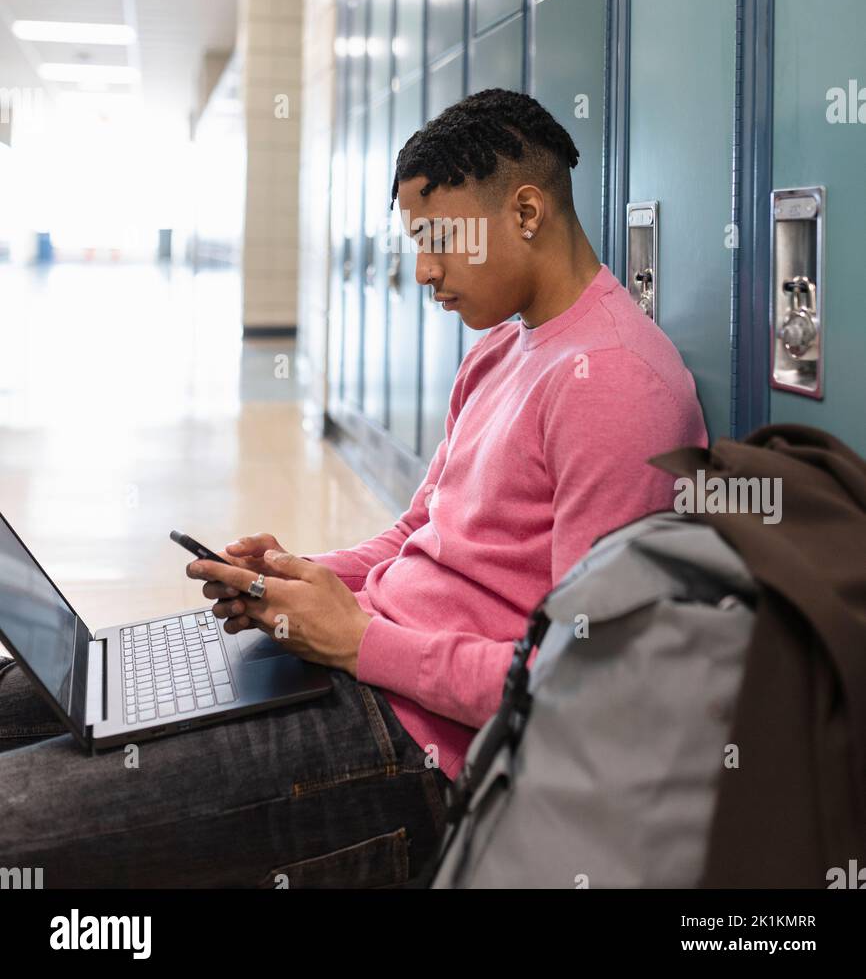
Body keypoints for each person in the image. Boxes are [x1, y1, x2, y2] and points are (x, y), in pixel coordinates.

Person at [0, 89, 707, 888]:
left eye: (439, 239)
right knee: (23, 697)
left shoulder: (617, 386)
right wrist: (297, 580)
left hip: (417, 749)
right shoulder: (503, 348)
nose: (423, 271)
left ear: (527, 211)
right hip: (359, 667)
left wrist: (360, 641)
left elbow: (587, 689)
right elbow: (417, 534)